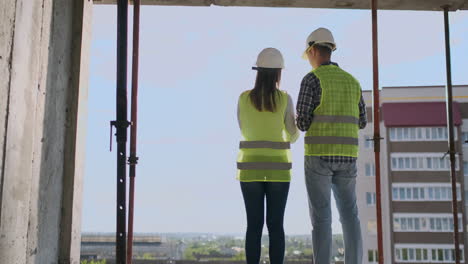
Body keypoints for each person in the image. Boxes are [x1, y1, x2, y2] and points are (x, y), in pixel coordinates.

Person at [296, 28, 367, 264]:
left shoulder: (311, 80)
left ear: (314, 50)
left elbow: (303, 123)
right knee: (350, 215)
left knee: (322, 219)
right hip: (348, 157)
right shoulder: (353, 82)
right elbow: (363, 120)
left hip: (318, 158)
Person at [236, 48, 299, 264]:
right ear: (279, 73)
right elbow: (293, 136)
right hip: (278, 171)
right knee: (275, 225)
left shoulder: (243, 98)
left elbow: (244, 128)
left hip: (249, 168)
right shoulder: (285, 99)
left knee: (253, 225)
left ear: (258, 71)